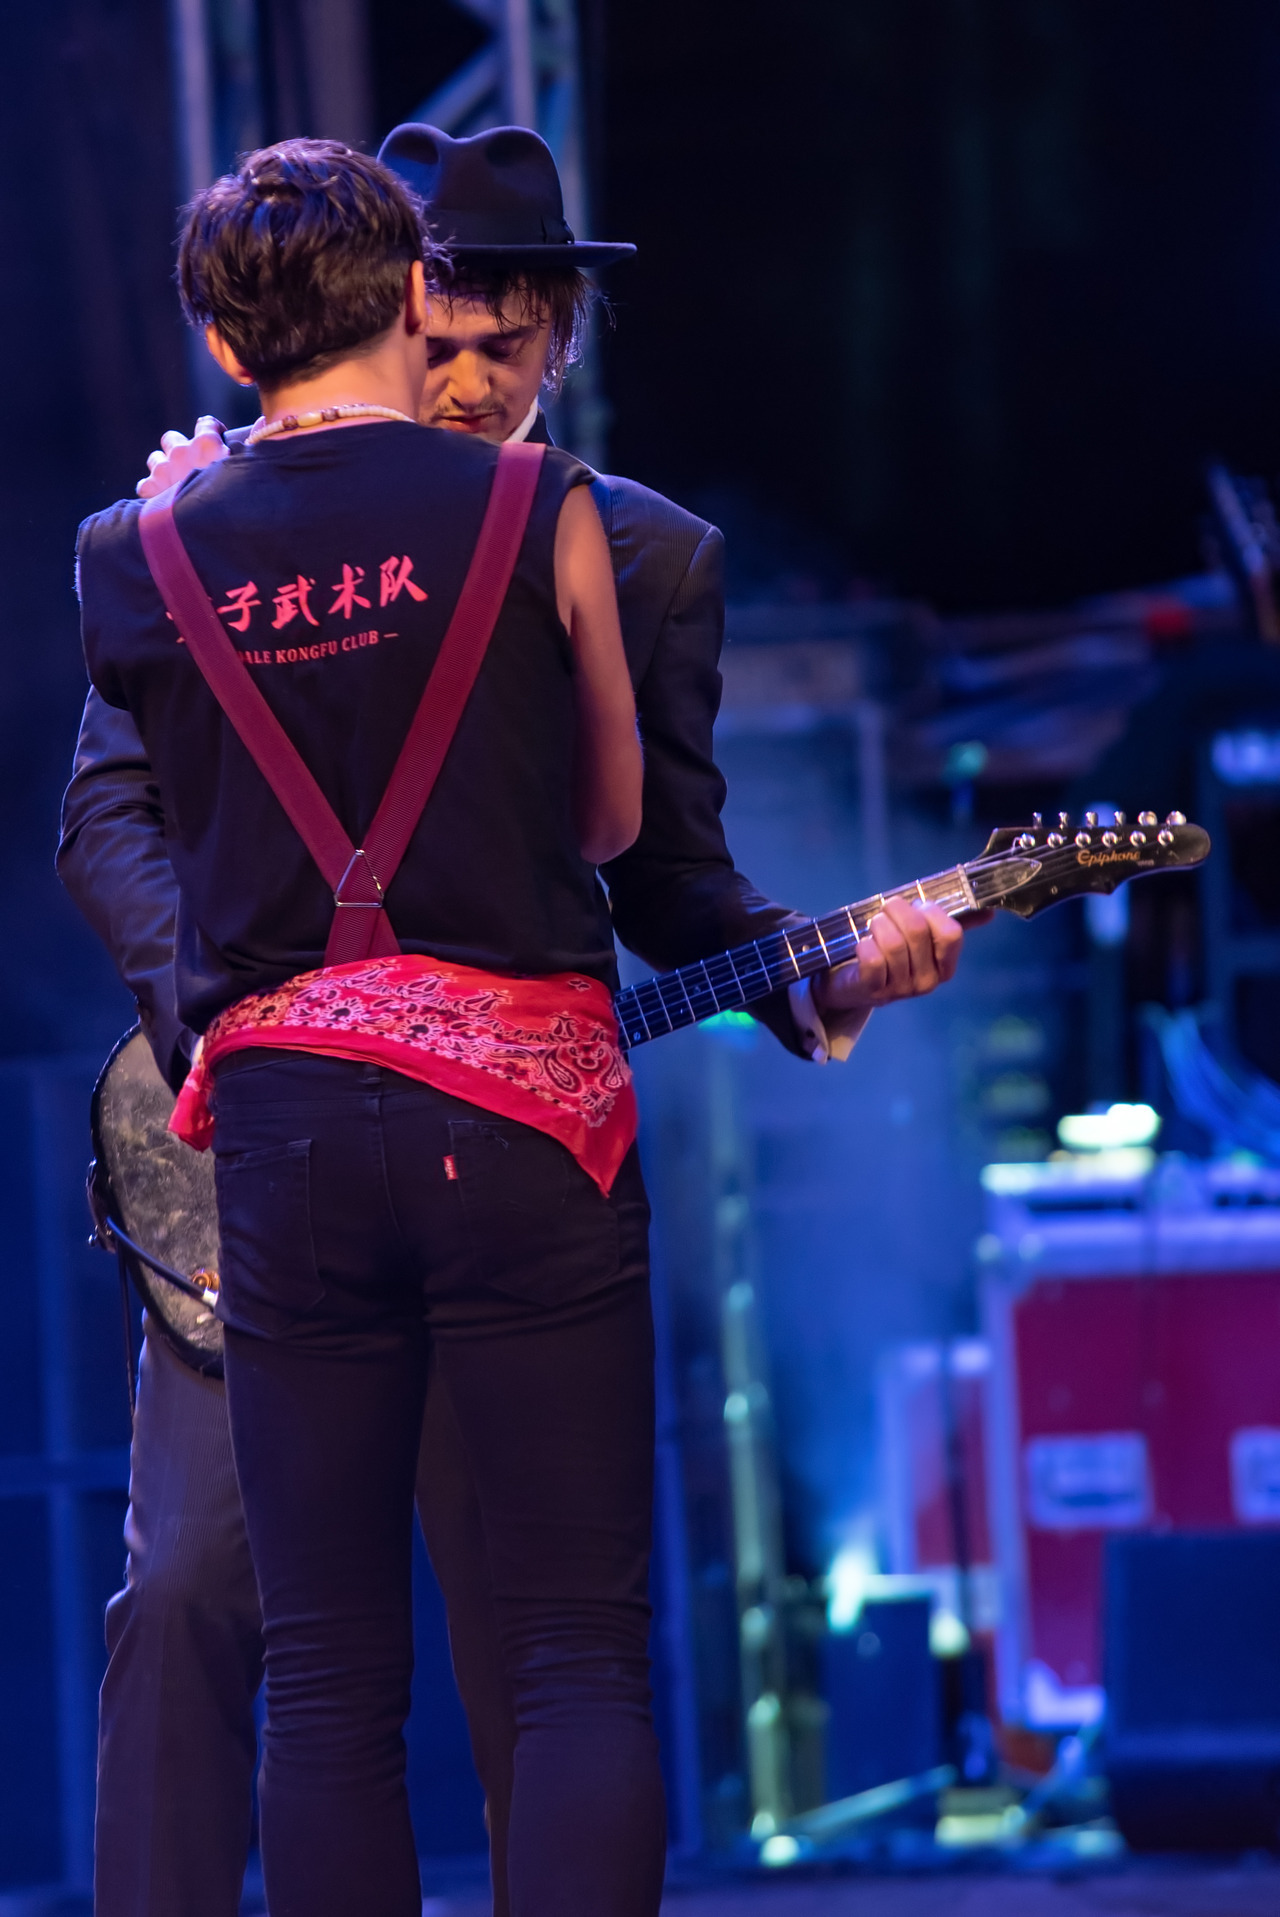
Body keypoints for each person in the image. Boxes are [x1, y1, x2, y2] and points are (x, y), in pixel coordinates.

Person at [60, 126, 968, 1917]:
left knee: (514, 1639)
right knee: (198, 1597)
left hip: (414, 1136)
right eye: (444, 333)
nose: (467, 379)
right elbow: (110, 816)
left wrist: (822, 971)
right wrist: (219, 1021)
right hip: (263, 1126)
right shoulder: (196, 521)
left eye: (506, 342)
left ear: (561, 337)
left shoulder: (642, 555)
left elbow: (673, 874)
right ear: (394, 308)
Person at [78, 134, 659, 1916]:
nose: (472, 369)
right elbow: (611, 825)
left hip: (288, 1133)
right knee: (574, 1650)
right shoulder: (539, 509)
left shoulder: (139, 547)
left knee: (331, 1679)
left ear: (221, 338)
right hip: (515, 1113)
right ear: (410, 294)